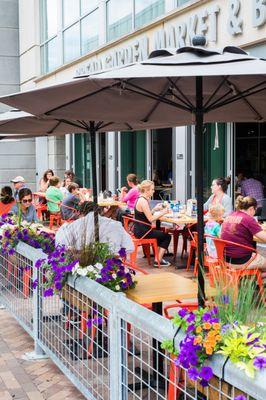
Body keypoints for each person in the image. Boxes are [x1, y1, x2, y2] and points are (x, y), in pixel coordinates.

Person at [55, 202, 134, 255]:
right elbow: (129, 248)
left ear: (80, 213)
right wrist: (113, 255)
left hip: (80, 267)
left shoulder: (72, 226)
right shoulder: (116, 225)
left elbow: (61, 246)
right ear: (100, 212)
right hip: (110, 268)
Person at [221, 196, 266, 271]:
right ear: (251, 208)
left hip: (226, 259)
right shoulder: (248, 219)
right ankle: (254, 279)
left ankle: (251, 279)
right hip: (241, 260)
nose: (255, 213)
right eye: (255, 210)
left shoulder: (230, 216)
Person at [134, 180, 171, 267]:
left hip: (139, 230)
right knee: (167, 237)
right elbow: (150, 219)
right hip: (144, 232)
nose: (153, 191)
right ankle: (158, 260)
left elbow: (145, 215)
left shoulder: (140, 199)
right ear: (146, 190)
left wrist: (154, 209)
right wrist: (164, 212)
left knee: (160, 235)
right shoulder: (143, 201)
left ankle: (157, 257)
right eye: (152, 189)